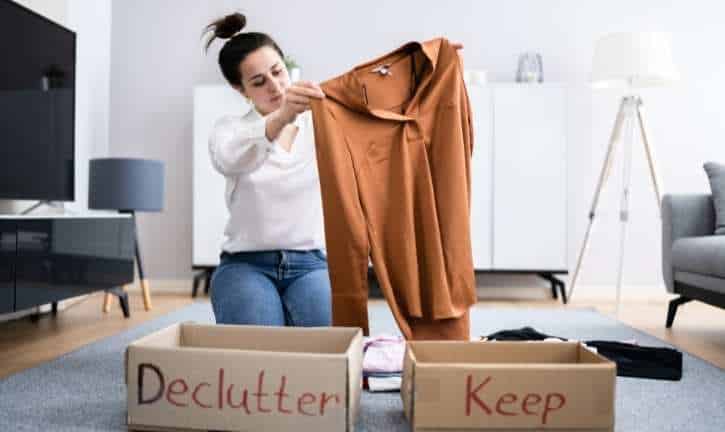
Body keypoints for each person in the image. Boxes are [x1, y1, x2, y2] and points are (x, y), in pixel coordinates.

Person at [203, 12, 330, 327]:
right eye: (259, 82)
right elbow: (231, 158)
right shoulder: (230, 131)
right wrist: (283, 115)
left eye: (278, 72)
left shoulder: (319, 126)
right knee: (256, 353)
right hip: (246, 265)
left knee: (330, 348)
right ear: (240, 89)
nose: (274, 86)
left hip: (311, 264)